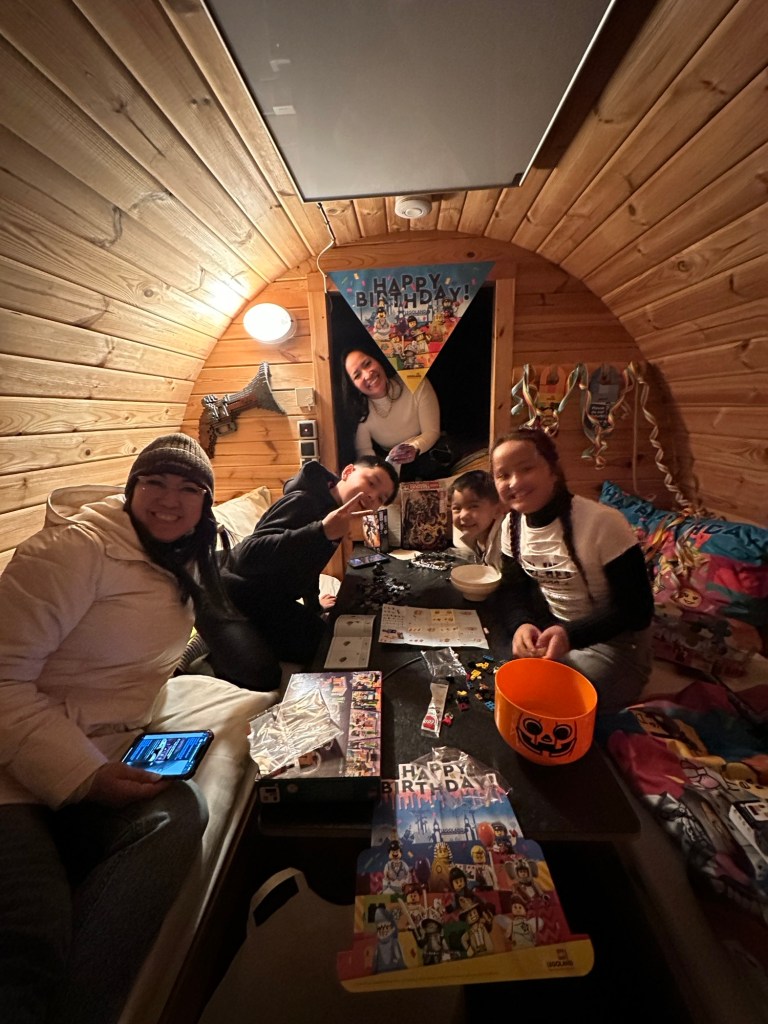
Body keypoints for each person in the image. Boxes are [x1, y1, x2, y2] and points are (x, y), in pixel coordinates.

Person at [0, 433, 229, 1024]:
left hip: (99, 750)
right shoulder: (74, 551)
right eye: (155, 482)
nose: (169, 500)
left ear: (205, 503)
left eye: (188, 489)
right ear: (131, 489)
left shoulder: (181, 559)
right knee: (31, 930)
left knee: (179, 812)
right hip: (11, 773)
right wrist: (85, 774)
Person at [491, 427, 654, 712]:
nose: (514, 482)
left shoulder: (603, 523)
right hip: (553, 631)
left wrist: (571, 636)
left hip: (616, 644)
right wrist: (521, 625)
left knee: (550, 702)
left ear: (553, 470)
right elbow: (513, 590)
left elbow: (637, 610)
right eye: (503, 475)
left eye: (526, 468)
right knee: (495, 677)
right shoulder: (511, 525)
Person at [198, 456, 399, 686]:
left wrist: (314, 607)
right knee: (264, 676)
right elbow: (247, 556)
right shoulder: (304, 500)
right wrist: (321, 531)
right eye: (371, 483)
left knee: (328, 643)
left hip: (265, 598)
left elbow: (308, 564)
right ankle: (209, 646)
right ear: (348, 472)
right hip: (222, 590)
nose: (373, 496)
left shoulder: (337, 515)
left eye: (381, 498)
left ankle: (237, 635)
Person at [341, 345, 449, 481]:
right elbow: (365, 454)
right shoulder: (360, 411)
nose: (367, 375)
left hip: (429, 453)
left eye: (367, 364)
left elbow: (431, 432)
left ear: (378, 359)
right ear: (353, 386)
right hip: (393, 465)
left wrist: (413, 449)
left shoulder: (414, 382)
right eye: (357, 375)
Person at [450, 470, 504, 570]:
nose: (463, 516)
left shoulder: (504, 542)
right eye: (457, 508)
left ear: (497, 511)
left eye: (473, 506)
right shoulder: (466, 534)